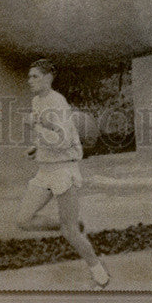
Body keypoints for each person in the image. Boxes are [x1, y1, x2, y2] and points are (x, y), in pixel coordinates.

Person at [16, 58, 110, 289]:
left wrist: (35, 126)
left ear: (48, 77)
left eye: (35, 76)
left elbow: (63, 140)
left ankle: (100, 274)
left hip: (63, 171)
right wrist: (36, 147)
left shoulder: (58, 103)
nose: (30, 81)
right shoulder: (37, 101)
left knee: (70, 234)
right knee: (24, 220)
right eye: (29, 77)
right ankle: (70, 223)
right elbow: (49, 138)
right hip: (45, 170)